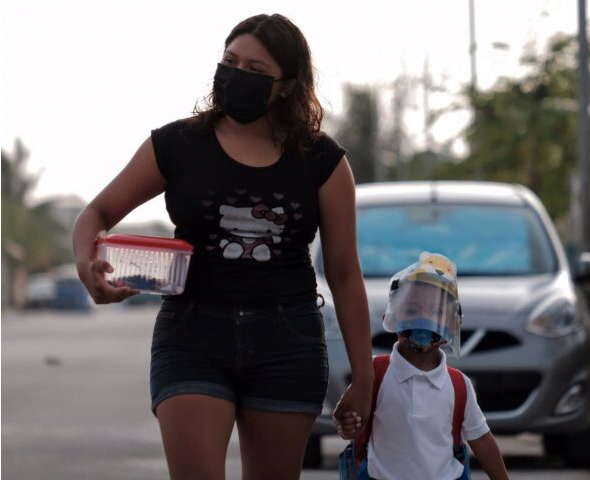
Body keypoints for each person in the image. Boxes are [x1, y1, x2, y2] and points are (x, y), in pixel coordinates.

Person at [72, 13, 373, 480]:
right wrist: (87, 264)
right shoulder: (177, 144)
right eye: (230, 62)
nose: (237, 76)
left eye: (256, 71)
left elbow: (345, 274)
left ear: (289, 86)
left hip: (287, 341)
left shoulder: (324, 162)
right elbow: (96, 214)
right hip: (192, 333)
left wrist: (364, 377)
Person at [336, 252, 510, 480]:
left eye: (436, 312)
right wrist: (347, 424)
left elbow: (482, 439)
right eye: (412, 310)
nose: (423, 320)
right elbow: (349, 418)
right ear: (394, 315)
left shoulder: (458, 386)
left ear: (451, 323)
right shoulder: (373, 374)